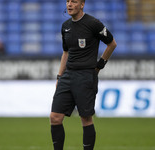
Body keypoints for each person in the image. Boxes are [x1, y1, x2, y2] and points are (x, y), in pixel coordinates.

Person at [50, 0, 117, 150]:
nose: (69, 4)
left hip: (85, 76)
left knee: (86, 119)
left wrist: (100, 65)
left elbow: (112, 43)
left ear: (82, 4)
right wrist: (59, 76)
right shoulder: (65, 26)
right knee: (55, 117)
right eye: (67, 1)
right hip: (67, 76)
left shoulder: (93, 23)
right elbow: (66, 52)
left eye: (74, 1)